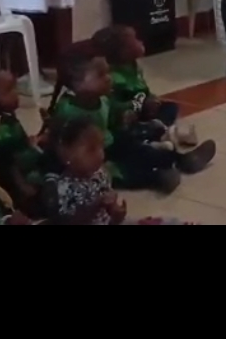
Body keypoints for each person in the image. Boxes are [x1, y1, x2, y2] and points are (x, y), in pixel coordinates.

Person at [47, 44, 216, 191]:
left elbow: (113, 114)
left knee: (140, 149)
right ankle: (155, 178)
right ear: (76, 82)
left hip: (110, 142)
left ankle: (182, 160)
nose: (109, 78)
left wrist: (124, 115)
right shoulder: (67, 111)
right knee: (120, 173)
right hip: (92, 158)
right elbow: (60, 146)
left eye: (108, 72)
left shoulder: (103, 98)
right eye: (100, 75)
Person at [92, 24, 183, 136]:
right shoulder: (113, 78)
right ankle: (150, 132)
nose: (141, 42)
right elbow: (112, 107)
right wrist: (134, 106)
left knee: (170, 107)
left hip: (142, 111)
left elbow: (143, 89)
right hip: (127, 118)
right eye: (136, 40)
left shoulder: (134, 67)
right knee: (125, 132)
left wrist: (151, 99)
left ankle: (155, 127)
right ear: (123, 52)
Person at [40, 116, 129, 224]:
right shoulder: (63, 187)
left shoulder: (101, 175)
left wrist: (116, 214)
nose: (101, 155)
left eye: (102, 146)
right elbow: (69, 221)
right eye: (91, 149)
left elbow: (105, 217)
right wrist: (96, 205)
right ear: (65, 153)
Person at [0, 64, 46, 213]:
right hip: (15, 183)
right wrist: (24, 188)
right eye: (9, 90)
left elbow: (22, 141)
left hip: (26, 165)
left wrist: (35, 140)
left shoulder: (8, 118)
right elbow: (8, 165)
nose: (16, 94)